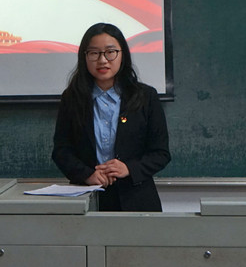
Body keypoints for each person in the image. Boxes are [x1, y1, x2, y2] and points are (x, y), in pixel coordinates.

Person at [52, 22, 171, 212]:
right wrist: (87, 174)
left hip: (137, 200)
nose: (102, 60)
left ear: (122, 54)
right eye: (94, 53)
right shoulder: (72, 98)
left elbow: (160, 153)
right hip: (88, 198)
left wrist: (129, 168)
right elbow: (62, 151)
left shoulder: (145, 97)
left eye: (110, 52)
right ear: (84, 57)